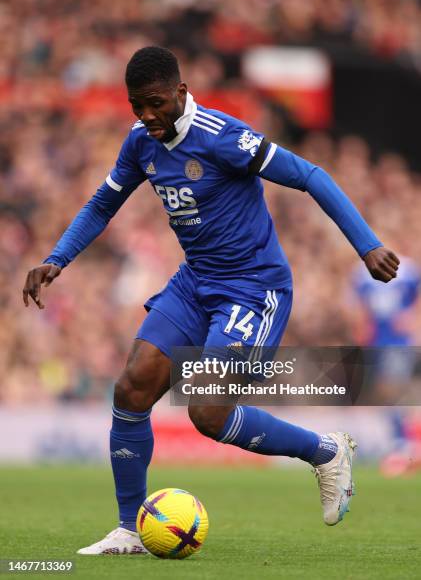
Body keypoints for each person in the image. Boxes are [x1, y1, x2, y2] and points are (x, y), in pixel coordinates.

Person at [23, 46, 400, 555]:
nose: (146, 115)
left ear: (181, 92)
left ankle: (327, 451)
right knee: (131, 388)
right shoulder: (140, 143)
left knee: (207, 409)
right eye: (137, 105)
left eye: (155, 103)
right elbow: (103, 202)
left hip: (253, 288)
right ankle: (130, 530)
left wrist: (367, 244)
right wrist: (58, 257)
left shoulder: (225, 138)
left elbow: (311, 176)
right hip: (194, 283)